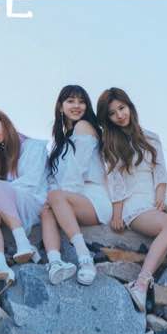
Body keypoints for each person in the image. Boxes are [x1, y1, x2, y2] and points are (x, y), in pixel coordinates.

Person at [99, 87, 167, 311]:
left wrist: (160, 197)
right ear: (108, 119)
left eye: (122, 108)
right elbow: (115, 182)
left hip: (156, 197)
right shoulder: (110, 145)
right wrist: (117, 214)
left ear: (130, 107)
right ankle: (140, 284)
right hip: (134, 203)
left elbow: (160, 172)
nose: (120, 115)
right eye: (112, 113)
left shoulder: (151, 138)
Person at [42, 85, 112, 285]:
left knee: (54, 197)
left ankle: (85, 258)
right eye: (70, 101)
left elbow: (77, 172)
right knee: (46, 210)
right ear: (60, 106)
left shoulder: (84, 127)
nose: (77, 106)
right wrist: (56, 200)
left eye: (82, 102)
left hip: (94, 198)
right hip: (72, 198)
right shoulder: (61, 142)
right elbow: (55, 179)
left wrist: (58, 199)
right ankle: (55, 263)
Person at [0, 108, 48, 283]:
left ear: (3, 121)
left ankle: (22, 242)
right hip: (12, 204)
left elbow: (31, 182)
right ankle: (0, 263)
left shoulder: (33, 146)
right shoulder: (0, 157)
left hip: (35, 200)